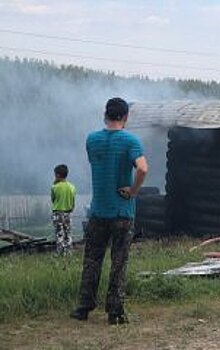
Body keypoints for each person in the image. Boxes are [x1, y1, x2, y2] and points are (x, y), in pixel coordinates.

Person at [70, 97, 148, 325]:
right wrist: (133, 191)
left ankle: (83, 308)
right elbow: (143, 168)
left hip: (98, 211)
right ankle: (115, 312)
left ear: (105, 114)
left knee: (92, 260)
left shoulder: (92, 140)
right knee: (118, 262)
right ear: (125, 116)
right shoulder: (130, 140)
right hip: (122, 212)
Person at [51, 164, 76, 255]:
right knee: (68, 233)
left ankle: (60, 253)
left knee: (59, 233)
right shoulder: (72, 187)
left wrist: (55, 183)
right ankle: (68, 252)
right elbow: (73, 201)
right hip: (68, 213)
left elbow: (53, 200)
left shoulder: (54, 187)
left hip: (58, 213)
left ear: (57, 175)